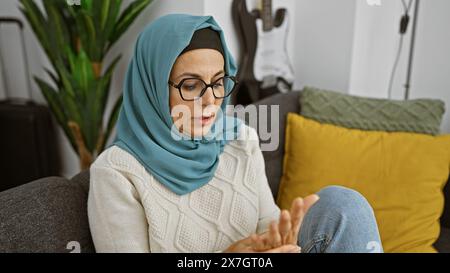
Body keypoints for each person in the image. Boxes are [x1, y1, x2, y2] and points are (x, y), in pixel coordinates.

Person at [87, 14, 383, 253]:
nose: (210, 101)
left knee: (343, 205)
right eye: (190, 85)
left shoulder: (240, 138)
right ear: (151, 86)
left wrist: (280, 242)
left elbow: (268, 223)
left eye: (218, 82)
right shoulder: (116, 172)